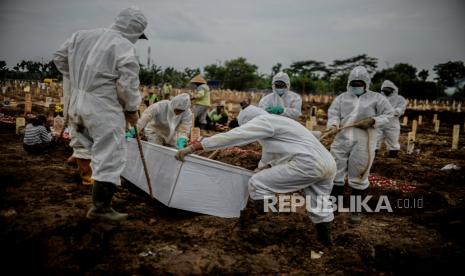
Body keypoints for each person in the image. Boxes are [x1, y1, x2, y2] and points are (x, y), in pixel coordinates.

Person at [175, 105, 337, 246]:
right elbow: (268, 157)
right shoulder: (282, 123)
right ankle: (326, 242)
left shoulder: (263, 121)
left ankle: (271, 224)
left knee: (258, 184)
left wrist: (198, 146)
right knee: (319, 205)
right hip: (328, 164)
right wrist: (261, 169)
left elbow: (235, 136)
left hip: (308, 164)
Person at [53, 7, 147, 221]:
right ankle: (101, 207)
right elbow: (127, 85)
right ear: (135, 30)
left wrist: (78, 78)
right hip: (103, 107)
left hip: (77, 101)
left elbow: (59, 57)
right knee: (110, 154)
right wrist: (131, 108)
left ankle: (89, 181)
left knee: (85, 144)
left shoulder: (81, 36)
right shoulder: (124, 47)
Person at [327, 66, 394, 224]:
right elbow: (333, 114)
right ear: (349, 83)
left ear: (366, 84)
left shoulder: (377, 98)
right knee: (335, 173)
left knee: (359, 175)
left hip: (364, 140)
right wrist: (334, 124)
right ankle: (333, 207)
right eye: (353, 83)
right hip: (341, 139)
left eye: (360, 83)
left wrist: (373, 121)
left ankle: (355, 211)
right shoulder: (342, 98)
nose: (356, 86)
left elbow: (389, 115)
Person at [376, 80, 407, 157]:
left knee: (393, 139)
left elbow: (400, 110)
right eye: (385, 89)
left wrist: (392, 111)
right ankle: (373, 154)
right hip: (379, 122)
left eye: (388, 90)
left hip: (392, 123)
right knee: (375, 139)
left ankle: (393, 155)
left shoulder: (400, 99)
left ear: (393, 90)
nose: (386, 91)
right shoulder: (378, 98)